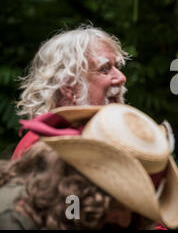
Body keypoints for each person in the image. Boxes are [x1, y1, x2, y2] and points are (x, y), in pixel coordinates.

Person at [0, 104, 178, 230]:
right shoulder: (13, 218)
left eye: (136, 210)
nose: (124, 220)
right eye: (119, 204)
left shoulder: (78, 213)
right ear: (84, 183)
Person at [13, 25, 128, 159]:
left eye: (117, 67)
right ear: (69, 87)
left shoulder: (108, 135)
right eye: (104, 69)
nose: (121, 78)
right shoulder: (46, 147)